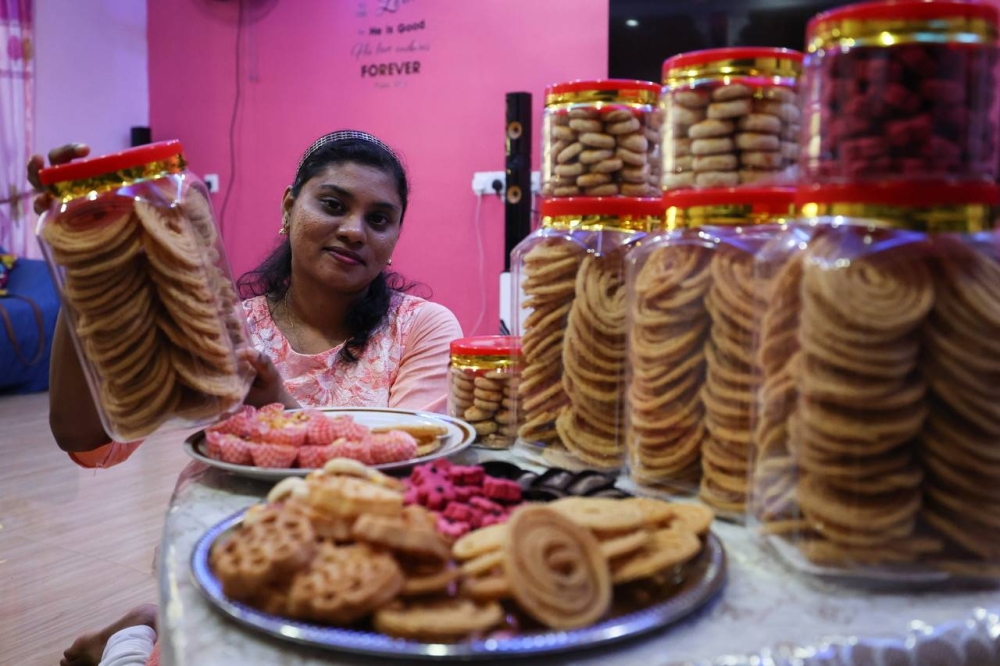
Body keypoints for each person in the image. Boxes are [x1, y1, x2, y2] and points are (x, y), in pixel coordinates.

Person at [30, 130, 463, 666]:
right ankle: (151, 625)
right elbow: (87, 439)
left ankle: (143, 626)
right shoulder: (220, 327)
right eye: (332, 204)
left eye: (379, 219)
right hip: (225, 556)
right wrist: (86, 264)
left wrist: (274, 400)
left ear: (395, 234)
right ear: (289, 205)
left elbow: (404, 484)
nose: (354, 231)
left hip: (355, 565)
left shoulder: (422, 329)